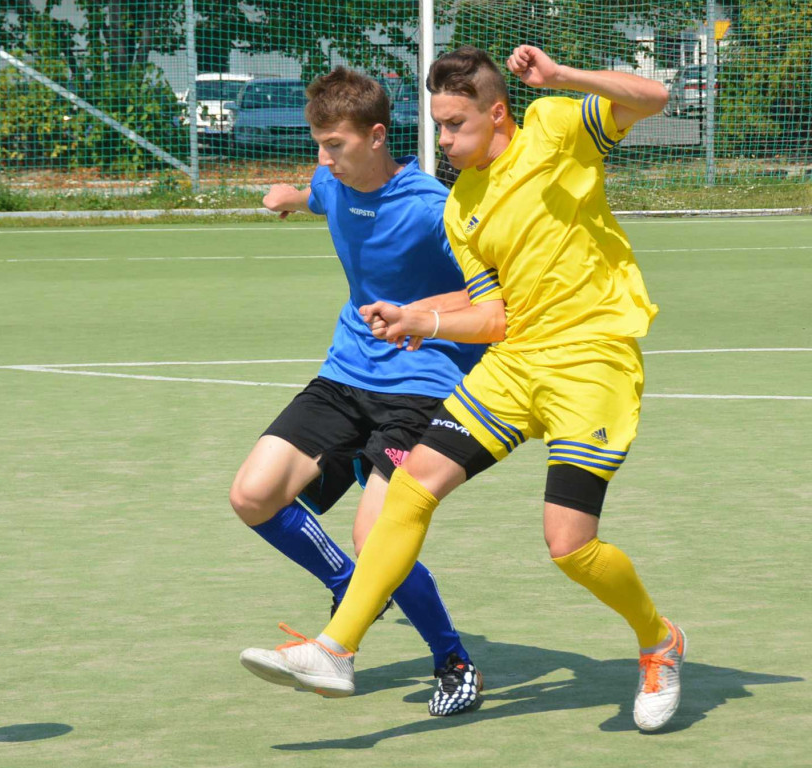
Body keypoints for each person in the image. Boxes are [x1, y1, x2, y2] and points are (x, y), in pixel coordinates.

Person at [239, 45, 687, 733]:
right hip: (515, 363)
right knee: (412, 486)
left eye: (453, 125)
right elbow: (497, 313)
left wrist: (562, 77)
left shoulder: (558, 130)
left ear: (496, 112)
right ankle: (336, 650)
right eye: (437, 126)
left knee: (570, 546)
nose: (443, 142)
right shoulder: (466, 205)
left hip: (591, 363)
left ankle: (659, 642)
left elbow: (653, 98)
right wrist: (426, 319)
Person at [231, 66, 489, 717]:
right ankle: (353, 588)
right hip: (345, 375)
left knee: (379, 532)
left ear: (377, 137)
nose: (325, 160)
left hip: (421, 388)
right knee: (253, 494)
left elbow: (495, 295)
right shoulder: (333, 181)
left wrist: (419, 315)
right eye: (318, 146)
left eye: (337, 146)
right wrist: (292, 195)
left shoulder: (435, 210)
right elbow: (322, 195)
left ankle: (453, 661)